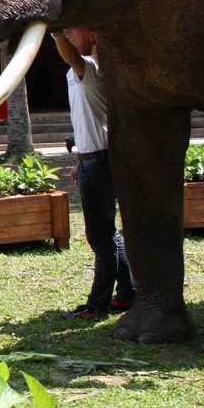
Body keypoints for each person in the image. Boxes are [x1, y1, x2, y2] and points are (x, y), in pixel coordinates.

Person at [54, 28, 136, 320]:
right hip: (93, 157)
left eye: (72, 30)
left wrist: (53, 31)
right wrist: (80, 159)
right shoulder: (83, 70)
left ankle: (97, 305)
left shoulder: (91, 66)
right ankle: (127, 294)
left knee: (100, 237)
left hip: (99, 161)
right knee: (109, 234)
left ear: (94, 37)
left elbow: (72, 56)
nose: (68, 33)